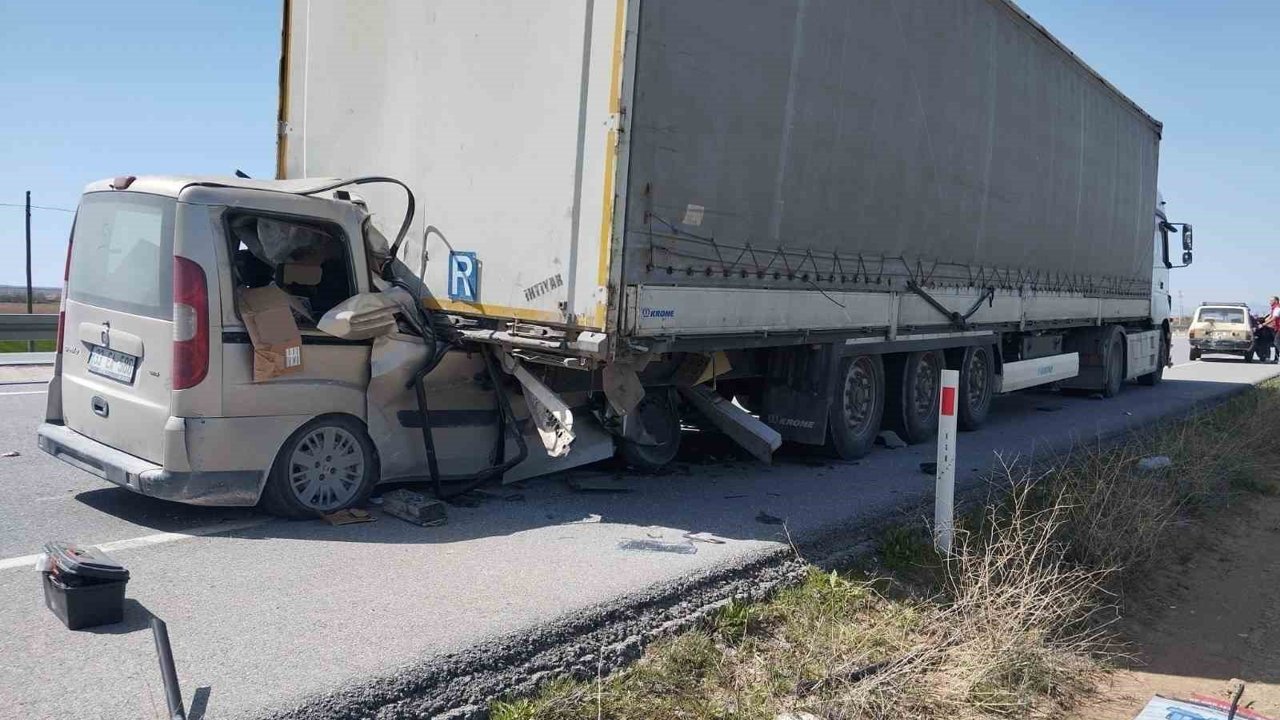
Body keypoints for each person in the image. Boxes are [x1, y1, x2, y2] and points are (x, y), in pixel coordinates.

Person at [1268, 297, 1280, 363]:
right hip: (1276, 328)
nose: (1269, 302)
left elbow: (1274, 318)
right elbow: (1269, 317)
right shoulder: (1273, 308)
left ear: (1276, 301)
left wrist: (1263, 324)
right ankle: (1276, 359)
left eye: (1271, 300)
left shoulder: (1277, 308)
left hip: (1279, 328)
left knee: (1276, 342)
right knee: (1277, 343)